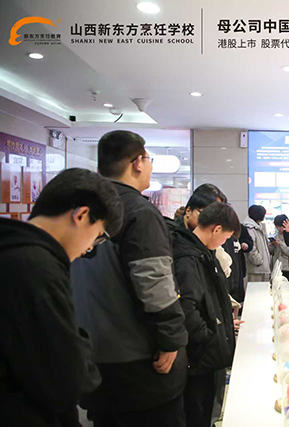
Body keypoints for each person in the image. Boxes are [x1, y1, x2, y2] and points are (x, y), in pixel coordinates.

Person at [71, 131, 189, 426]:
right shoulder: (138, 212)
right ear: (137, 162)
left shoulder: (80, 210)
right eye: (149, 159)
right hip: (140, 363)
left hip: (93, 356)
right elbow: (154, 282)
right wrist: (171, 339)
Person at [0, 168, 123, 427]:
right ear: (82, 215)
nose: (89, 248)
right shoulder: (36, 268)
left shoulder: (12, 250)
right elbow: (71, 376)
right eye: (98, 236)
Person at [171, 202, 240, 427]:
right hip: (199, 357)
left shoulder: (202, 253)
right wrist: (209, 337)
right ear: (216, 229)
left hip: (205, 355)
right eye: (225, 237)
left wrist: (224, 324)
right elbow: (186, 306)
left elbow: (209, 300)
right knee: (198, 413)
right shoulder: (188, 257)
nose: (224, 242)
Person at [243, 204, 271, 283]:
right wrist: (259, 261)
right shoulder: (250, 228)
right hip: (256, 269)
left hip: (262, 268)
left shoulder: (259, 227)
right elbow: (251, 248)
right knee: (255, 289)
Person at [272, 214, 289, 281]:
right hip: (277, 268)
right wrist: (271, 245)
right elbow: (272, 252)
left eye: (280, 227)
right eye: (277, 227)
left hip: (288, 268)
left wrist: (281, 244)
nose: (278, 229)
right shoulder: (276, 236)